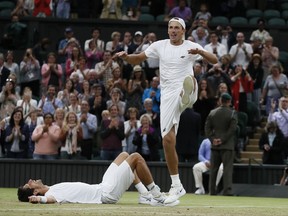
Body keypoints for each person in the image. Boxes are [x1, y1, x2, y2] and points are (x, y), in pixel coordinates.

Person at [116, 17, 217, 204]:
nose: (173, 30)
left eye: (177, 28)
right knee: (167, 140)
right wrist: (126, 57)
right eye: (170, 27)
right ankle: (177, 185)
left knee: (190, 85)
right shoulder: (159, 45)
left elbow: (214, 59)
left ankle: (188, 93)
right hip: (168, 96)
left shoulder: (191, 45)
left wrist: (200, 51)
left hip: (184, 87)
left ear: (183, 30)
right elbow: (138, 58)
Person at [17, 152, 179, 206]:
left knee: (124, 156)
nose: (31, 179)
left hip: (103, 185)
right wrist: (39, 199)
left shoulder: (51, 187)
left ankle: (144, 195)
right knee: (135, 158)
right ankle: (157, 196)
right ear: (35, 190)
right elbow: (51, 200)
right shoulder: (50, 194)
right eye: (28, 183)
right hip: (106, 194)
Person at [205, 93, 237, 196]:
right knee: (227, 169)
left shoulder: (212, 113)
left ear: (220, 101)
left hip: (215, 146)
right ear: (229, 101)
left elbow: (207, 128)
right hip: (227, 146)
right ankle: (227, 191)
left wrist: (213, 139)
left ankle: (212, 191)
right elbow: (232, 130)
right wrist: (222, 140)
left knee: (213, 169)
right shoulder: (232, 113)